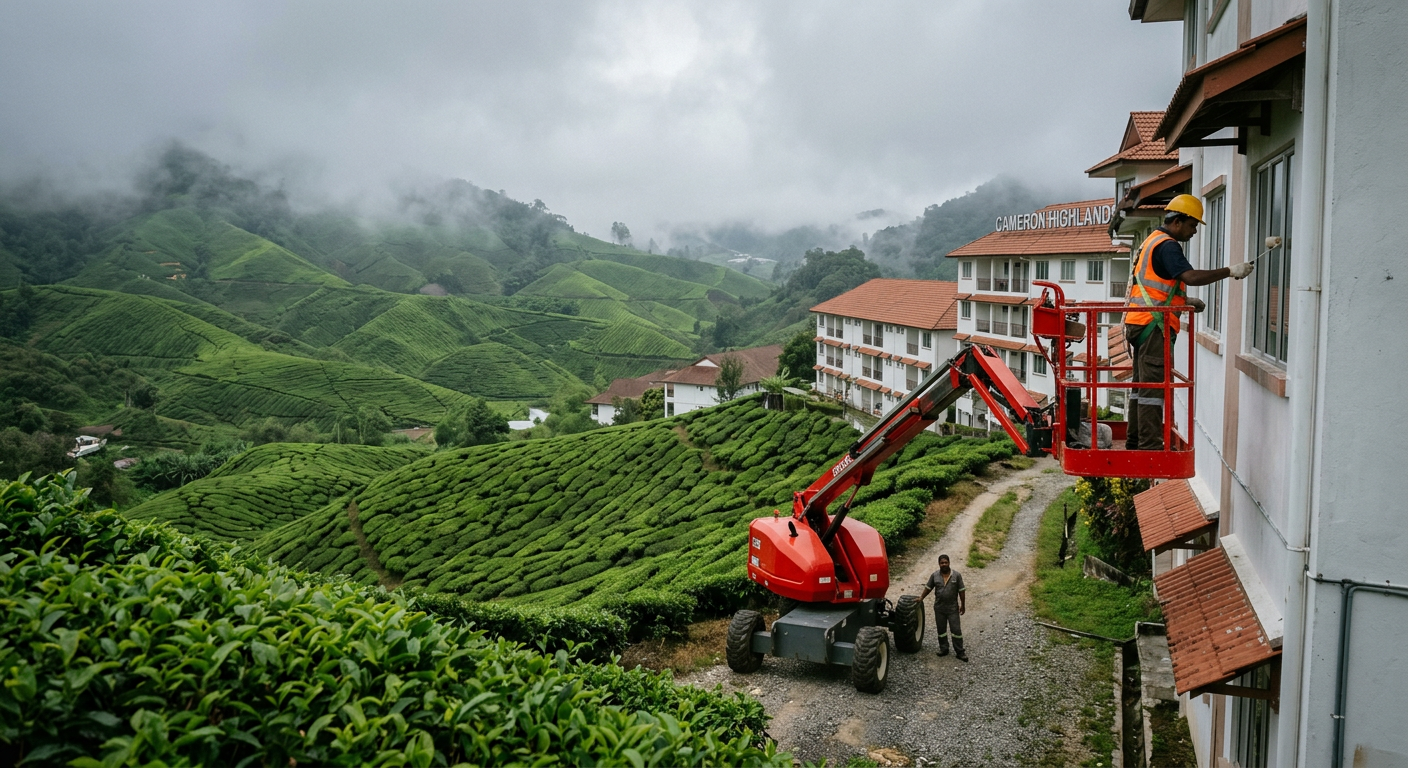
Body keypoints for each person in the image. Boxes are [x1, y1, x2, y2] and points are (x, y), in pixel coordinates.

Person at [1125, 194, 1254, 450]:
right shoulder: (1168, 245)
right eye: (1192, 225)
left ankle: (1135, 440)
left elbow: (1156, 286)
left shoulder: (1152, 240)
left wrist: (1184, 301)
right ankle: (1150, 447)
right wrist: (1230, 271)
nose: (1194, 232)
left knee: (1142, 386)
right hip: (1153, 326)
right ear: (1177, 222)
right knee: (1153, 390)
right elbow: (1190, 277)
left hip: (1139, 322)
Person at [918, 554, 967, 661]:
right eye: (942, 563)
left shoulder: (956, 575)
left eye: (946, 562)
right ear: (939, 564)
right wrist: (921, 598)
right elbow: (928, 588)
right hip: (939, 608)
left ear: (949, 563)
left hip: (953, 609)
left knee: (956, 630)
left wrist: (963, 605)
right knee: (941, 631)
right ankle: (944, 649)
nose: (944, 564)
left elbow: (962, 591)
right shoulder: (934, 575)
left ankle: (960, 652)